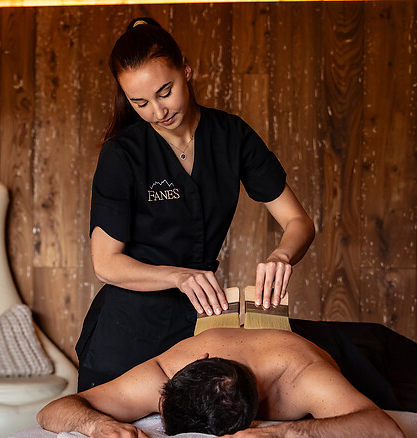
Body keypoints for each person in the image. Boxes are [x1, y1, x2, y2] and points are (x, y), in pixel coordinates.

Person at [76, 17, 315, 391]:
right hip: (126, 334)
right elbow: (105, 263)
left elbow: (299, 222)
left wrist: (282, 256)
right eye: (140, 103)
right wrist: (179, 276)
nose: (158, 111)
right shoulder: (122, 154)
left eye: (165, 92)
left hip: (200, 325)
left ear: (185, 70)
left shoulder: (231, 136)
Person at [38, 327, 405, 438]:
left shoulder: (301, 377)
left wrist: (285, 433)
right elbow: (52, 411)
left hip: (349, 346)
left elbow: (386, 430)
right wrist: (97, 425)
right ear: (197, 360)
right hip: (225, 327)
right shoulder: (165, 372)